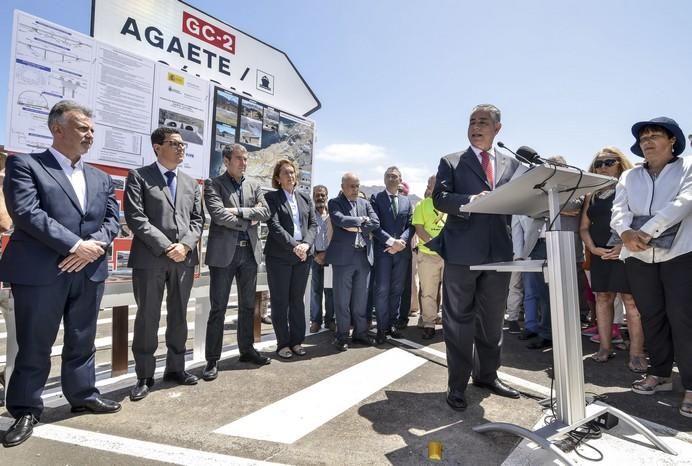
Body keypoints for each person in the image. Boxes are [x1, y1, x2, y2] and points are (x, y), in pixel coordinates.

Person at [0, 101, 121, 448]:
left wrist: (91, 247)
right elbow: (25, 212)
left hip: (89, 268)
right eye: (82, 128)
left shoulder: (100, 176)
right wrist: (73, 245)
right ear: (58, 129)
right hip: (42, 271)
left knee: (82, 338)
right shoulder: (26, 164)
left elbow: (112, 219)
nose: (89, 135)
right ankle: (25, 408)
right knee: (35, 343)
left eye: (92, 130)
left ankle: (82, 393)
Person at [429, 104, 522, 411]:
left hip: (499, 253)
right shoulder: (452, 161)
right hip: (462, 253)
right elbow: (440, 198)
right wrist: (470, 200)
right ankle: (457, 384)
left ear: (498, 128)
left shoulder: (511, 163)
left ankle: (487, 375)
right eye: (472, 121)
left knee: (493, 320)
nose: (476, 126)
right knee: (458, 321)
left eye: (483, 122)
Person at [611, 117, 692, 418]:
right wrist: (625, 233)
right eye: (643, 137)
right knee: (651, 316)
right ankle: (659, 373)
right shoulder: (629, 177)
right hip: (638, 257)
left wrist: (647, 230)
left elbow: (686, 202)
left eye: (655, 135)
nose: (647, 141)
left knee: (684, 319)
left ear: (672, 140)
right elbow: (618, 209)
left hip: (682, 255)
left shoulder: (688, 166)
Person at [124, 127, 204, 402]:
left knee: (180, 314)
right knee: (148, 316)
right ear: (157, 147)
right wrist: (166, 246)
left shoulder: (191, 183)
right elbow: (136, 217)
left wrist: (185, 246)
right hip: (151, 259)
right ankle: (145, 376)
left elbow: (197, 220)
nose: (181, 148)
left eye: (183, 145)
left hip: (183, 259)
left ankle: (176, 368)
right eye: (174, 144)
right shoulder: (139, 177)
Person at [202, 144, 271, 381]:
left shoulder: (253, 185)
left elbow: (265, 212)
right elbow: (219, 215)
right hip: (224, 256)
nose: (244, 163)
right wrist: (248, 219)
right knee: (218, 308)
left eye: (246, 159)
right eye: (239, 159)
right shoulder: (214, 184)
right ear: (226, 160)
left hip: (249, 255)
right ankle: (212, 360)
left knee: (247, 306)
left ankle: (247, 350)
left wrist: (239, 211)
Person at [579, 147, 645, 372]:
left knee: (631, 302)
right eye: (599, 163)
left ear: (620, 163)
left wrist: (623, 246)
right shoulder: (592, 194)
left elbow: (639, 221)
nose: (603, 167)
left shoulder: (630, 188)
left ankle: (636, 353)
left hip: (626, 252)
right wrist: (593, 248)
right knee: (602, 299)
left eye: (609, 162)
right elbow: (584, 227)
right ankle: (605, 348)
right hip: (600, 254)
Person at [264, 159, 317, 359]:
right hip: (280, 256)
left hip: (303, 256)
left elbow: (313, 224)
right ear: (278, 178)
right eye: (285, 173)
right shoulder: (271, 198)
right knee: (280, 302)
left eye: (293, 172)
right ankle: (283, 344)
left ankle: (297, 341)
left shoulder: (304, 198)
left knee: (297, 300)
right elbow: (274, 226)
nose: (290, 176)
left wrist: (305, 245)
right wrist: (296, 246)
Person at [326, 173, 380, 351]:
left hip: (363, 257)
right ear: (342, 187)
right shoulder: (334, 202)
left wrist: (355, 225)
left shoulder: (365, 203)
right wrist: (361, 221)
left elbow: (376, 222)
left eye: (357, 186)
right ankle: (342, 336)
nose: (356, 189)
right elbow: (340, 220)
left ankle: (360, 334)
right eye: (352, 186)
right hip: (343, 259)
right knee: (342, 301)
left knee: (360, 300)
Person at [370, 167, 414, 344]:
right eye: (387, 176)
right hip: (384, 253)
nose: (390, 179)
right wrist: (391, 242)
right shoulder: (376, 198)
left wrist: (401, 242)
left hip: (401, 254)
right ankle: (381, 328)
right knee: (382, 291)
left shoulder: (406, 202)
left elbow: (411, 225)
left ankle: (391, 325)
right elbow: (375, 225)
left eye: (394, 176)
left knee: (396, 290)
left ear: (400, 180)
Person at [412, 175, 446, 339]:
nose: (436, 186)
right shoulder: (421, 205)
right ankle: (429, 324)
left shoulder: (449, 204)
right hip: (427, 255)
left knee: (451, 292)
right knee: (428, 292)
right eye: (433, 184)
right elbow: (419, 229)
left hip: (448, 255)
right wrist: (436, 245)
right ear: (430, 187)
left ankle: (449, 322)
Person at [310, 185, 335, 333]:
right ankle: (316, 320)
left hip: (329, 258)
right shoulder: (309, 215)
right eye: (317, 195)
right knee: (316, 291)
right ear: (313, 197)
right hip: (314, 257)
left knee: (329, 290)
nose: (320, 198)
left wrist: (327, 255)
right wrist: (316, 255)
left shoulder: (332, 215)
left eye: (322, 195)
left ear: (327, 196)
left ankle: (330, 320)